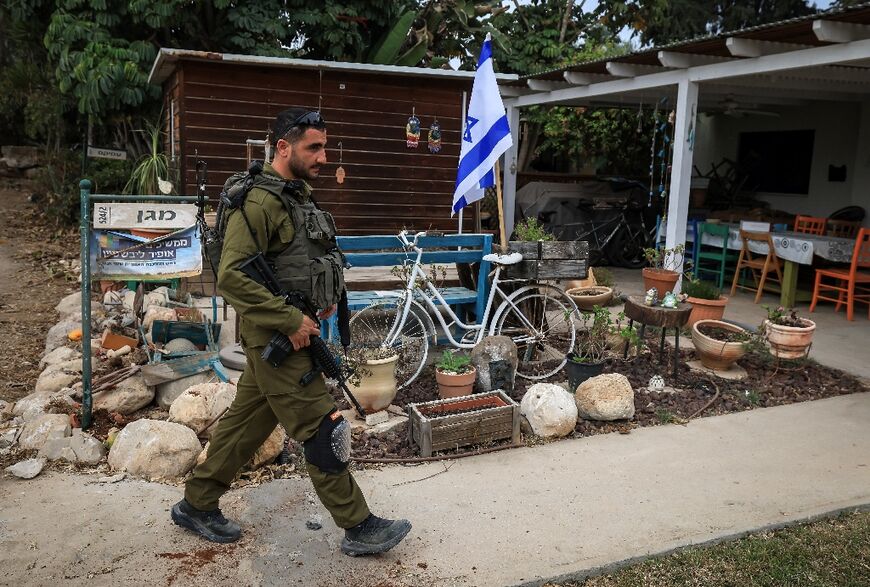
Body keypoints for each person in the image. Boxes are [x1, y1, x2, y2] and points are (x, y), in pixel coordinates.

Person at [171, 108, 411, 556]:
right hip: (282, 339)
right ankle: (359, 525)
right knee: (324, 429)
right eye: (313, 147)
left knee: (244, 427)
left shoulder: (295, 197)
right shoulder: (260, 202)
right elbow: (232, 277)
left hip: (293, 334)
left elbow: (303, 261)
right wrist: (289, 320)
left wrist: (326, 293)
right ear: (283, 147)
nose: (323, 156)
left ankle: (196, 503)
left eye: (324, 146)